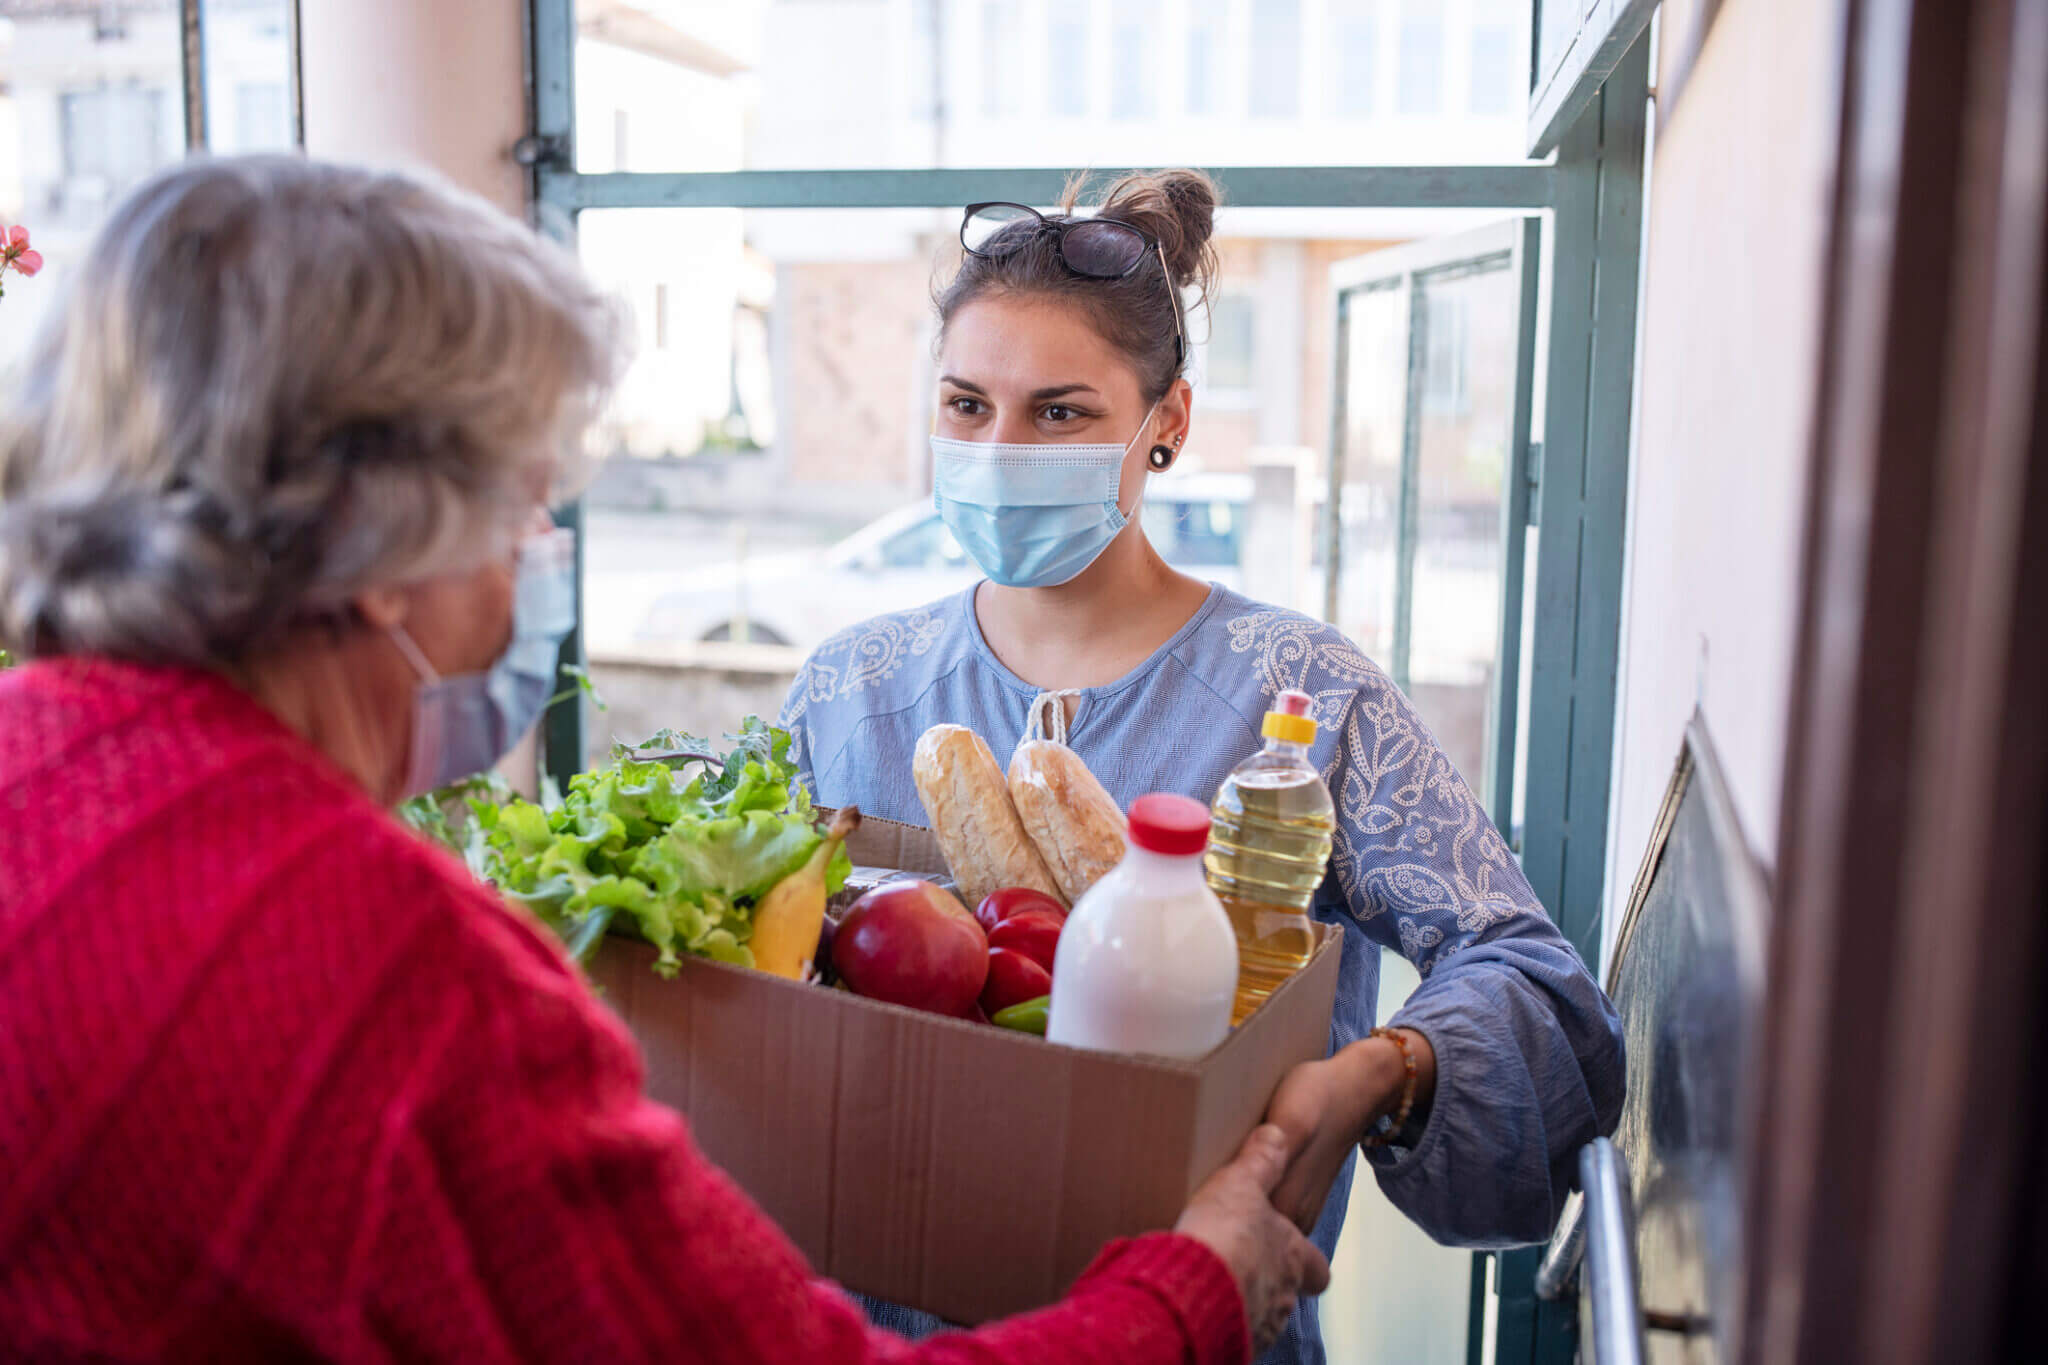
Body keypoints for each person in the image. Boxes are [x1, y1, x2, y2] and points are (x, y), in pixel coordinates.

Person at [0, 156, 1329, 1364]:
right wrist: (1191, 1287)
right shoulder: (405, 981)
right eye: (525, 505)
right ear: (382, 543)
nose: (540, 557)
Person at [779, 169, 1627, 1364]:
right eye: (966, 406)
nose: (998, 448)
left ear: (1164, 421)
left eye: (1060, 414)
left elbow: (1538, 992)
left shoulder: (1304, 698)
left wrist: (1376, 1074)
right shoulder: (846, 688)